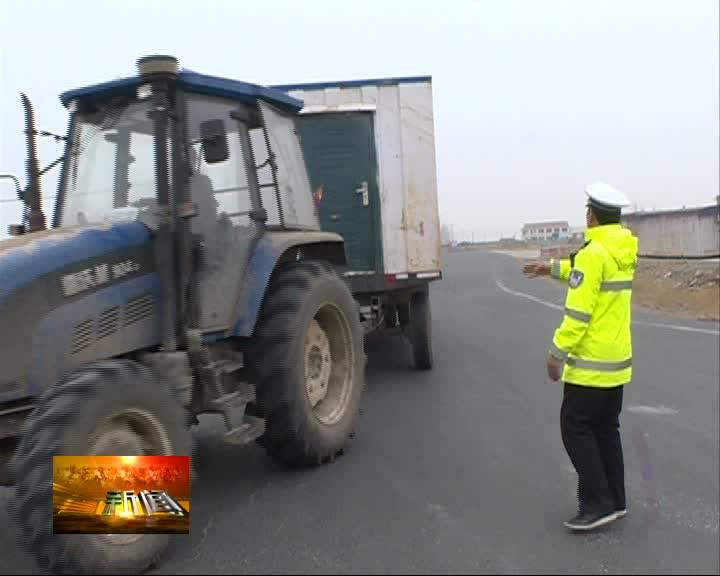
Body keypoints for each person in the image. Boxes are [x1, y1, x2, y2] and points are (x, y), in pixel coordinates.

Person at [523, 181, 639, 532]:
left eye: (587, 211)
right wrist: (552, 269)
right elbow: (585, 274)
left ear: (592, 216)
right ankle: (615, 501)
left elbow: (579, 313)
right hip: (616, 363)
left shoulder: (592, 254)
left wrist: (556, 353)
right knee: (606, 430)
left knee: (574, 428)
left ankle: (597, 503)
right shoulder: (621, 250)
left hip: (589, 366)